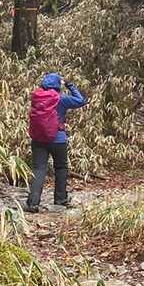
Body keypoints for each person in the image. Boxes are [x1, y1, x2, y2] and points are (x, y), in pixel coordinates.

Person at [26, 73, 87, 213]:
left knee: (39, 169)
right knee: (61, 168)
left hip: (38, 139)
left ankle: (33, 203)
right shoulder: (61, 99)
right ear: (58, 85)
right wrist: (70, 85)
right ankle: (60, 200)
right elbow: (81, 100)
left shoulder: (36, 97)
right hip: (58, 139)